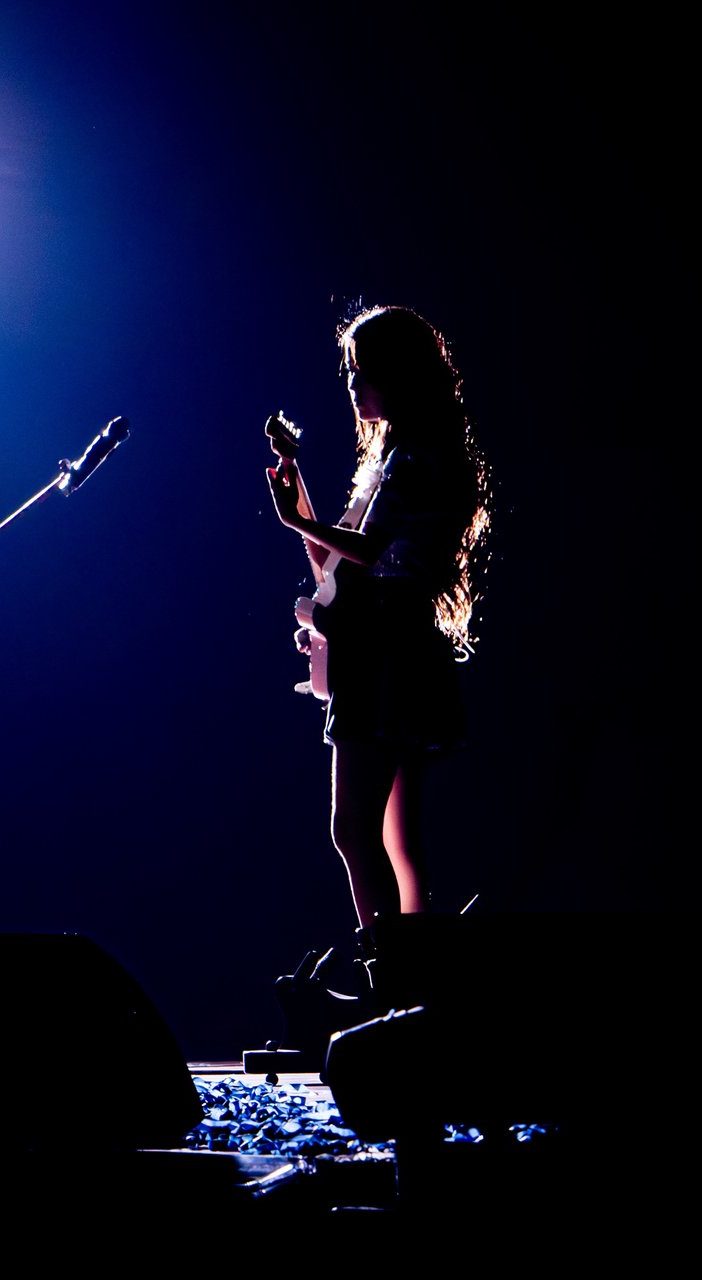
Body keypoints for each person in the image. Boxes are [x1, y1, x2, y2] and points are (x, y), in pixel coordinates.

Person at [266, 304, 492, 935]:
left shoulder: (421, 456)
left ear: (399, 373)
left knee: (361, 830)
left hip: (392, 658)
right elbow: (336, 563)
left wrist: (298, 520)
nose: (352, 384)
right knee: (380, 835)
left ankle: (394, 971)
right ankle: (395, 965)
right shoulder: (394, 458)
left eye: (362, 370)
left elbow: (363, 550)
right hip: (379, 655)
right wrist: (297, 492)